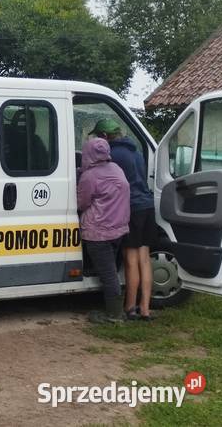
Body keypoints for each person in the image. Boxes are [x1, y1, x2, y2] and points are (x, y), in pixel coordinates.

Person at [93, 118, 157, 320]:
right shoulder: (136, 151)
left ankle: (129, 307)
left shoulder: (114, 155)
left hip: (132, 209)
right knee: (144, 259)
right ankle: (145, 309)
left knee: (130, 259)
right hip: (147, 206)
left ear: (104, 136)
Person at [77, 137, 131, 323]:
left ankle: (114, 315)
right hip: (118, 230)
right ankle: (114, 309)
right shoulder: (117, 169)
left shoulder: (89, 176)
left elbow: (82, 203)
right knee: (111, 272)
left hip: (97, 232)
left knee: (108, 275)